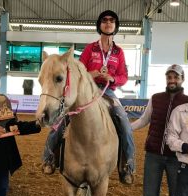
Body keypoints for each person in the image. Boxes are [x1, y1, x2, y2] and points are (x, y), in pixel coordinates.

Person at [42, 10, 135, 185]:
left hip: (107, 92)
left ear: (115, 26)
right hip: (86, 90)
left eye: (111, 20)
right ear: (99, 25)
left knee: (124, 123)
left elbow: (123, 77)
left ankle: (128, 166)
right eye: (105, 20)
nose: (108, 23)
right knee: (61, 118)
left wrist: (112, 78)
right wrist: (91, 73)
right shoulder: (89, 48)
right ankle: (49, 157)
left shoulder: (118, 52)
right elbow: (77, 71)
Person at [131, 64, 188, 196]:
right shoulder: (155, 98)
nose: (172, 80)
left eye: (175, 77)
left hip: (177, 158)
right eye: (169, 77)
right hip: (153, 155)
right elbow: (143, 120)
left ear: (182, 79)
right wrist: (126, 128)